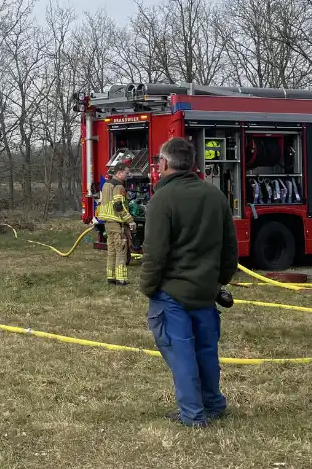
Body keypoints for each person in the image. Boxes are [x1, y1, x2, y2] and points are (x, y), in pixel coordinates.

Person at [139, 137, 239, 428]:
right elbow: (229, 247)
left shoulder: (162, 200)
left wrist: (147, 287)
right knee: (207, 351)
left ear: (164, 164)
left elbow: (155, 252)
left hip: (172, 294)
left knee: (181, 354)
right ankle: (213, 404)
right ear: (193, 164)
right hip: (206, 291)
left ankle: (193, 415)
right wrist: (220, 280)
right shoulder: (215, 196)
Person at [96, 162, 136, 285]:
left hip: (108, 224)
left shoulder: (106, 185)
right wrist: (130, 220)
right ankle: (121, 279)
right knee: (121, 251)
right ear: (119, 172)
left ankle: (110, 277)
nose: (128, 175)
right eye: (127, 173)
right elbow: (118, 206)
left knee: (112, 251)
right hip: (117, 224)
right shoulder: (119, 187)